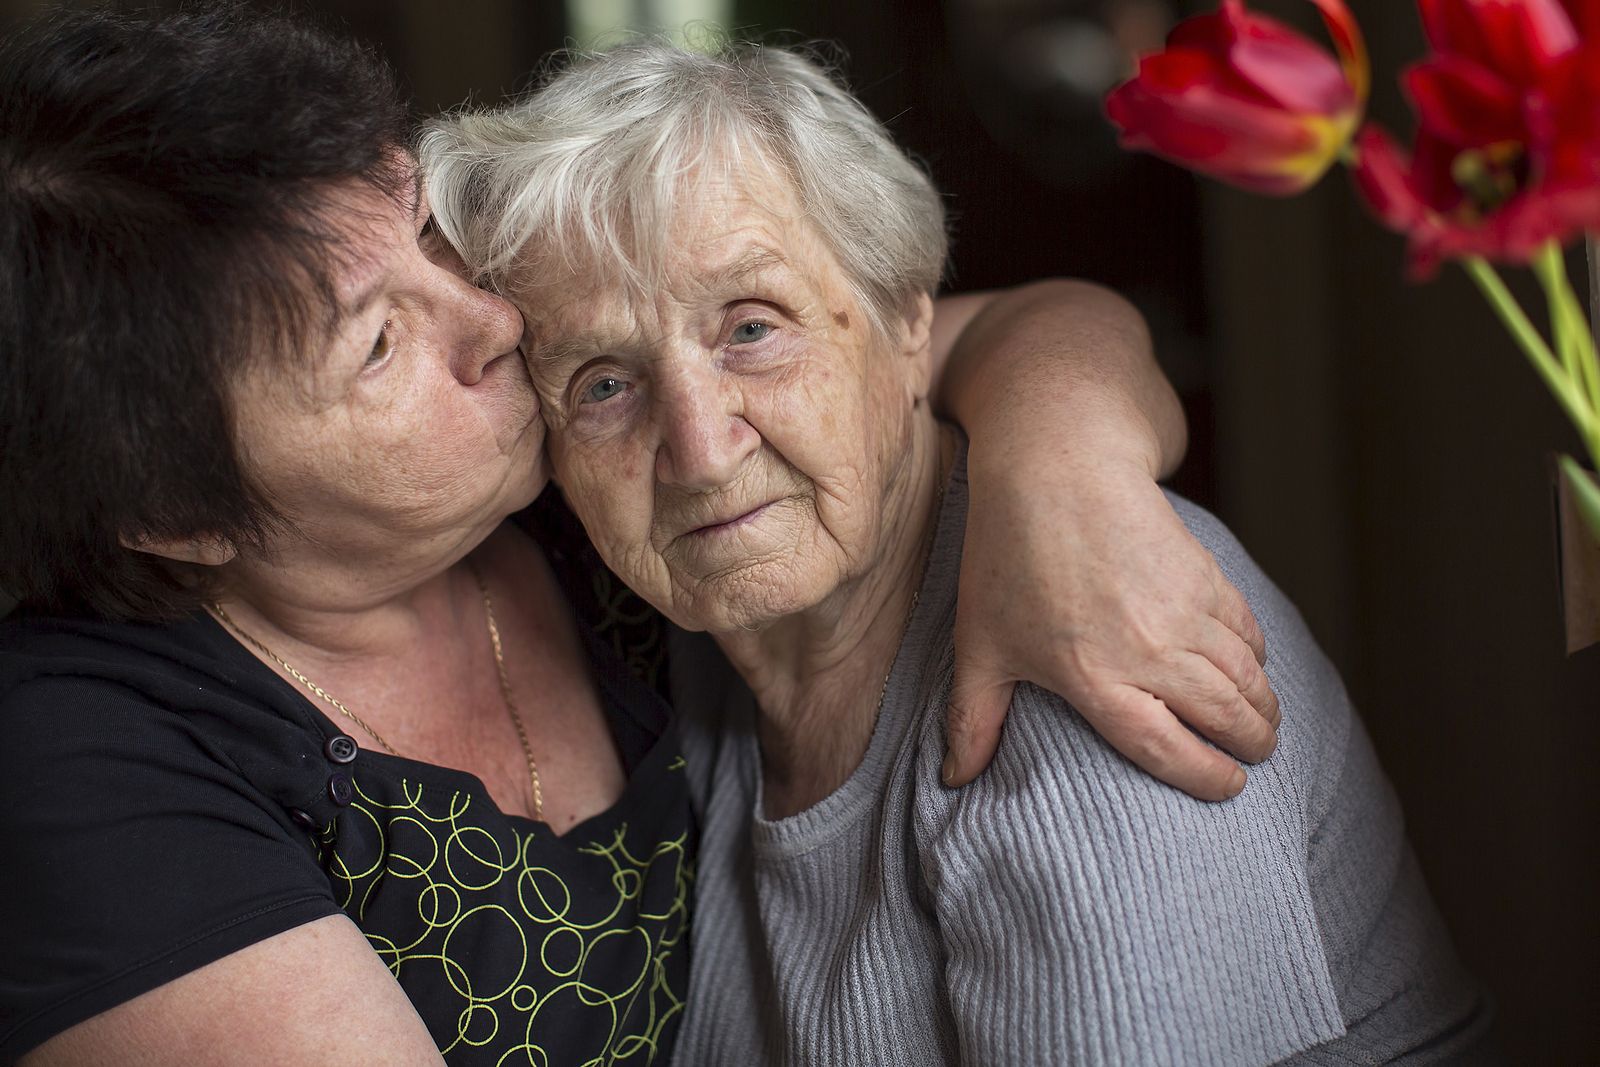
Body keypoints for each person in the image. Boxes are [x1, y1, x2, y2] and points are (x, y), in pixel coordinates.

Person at [0, 7, 1283, 1066]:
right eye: (380, 343)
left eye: (428, 230)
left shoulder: (587, 457)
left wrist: (1073, 483)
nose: (492, 320)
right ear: (178, 511)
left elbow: (966, 329)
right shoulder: (77, 756)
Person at [426, 40, 1498, 1064]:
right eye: (604, 386)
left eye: (752, 328)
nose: (701, 453)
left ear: (906, 325)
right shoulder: (687, 649)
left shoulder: (1089, 661)